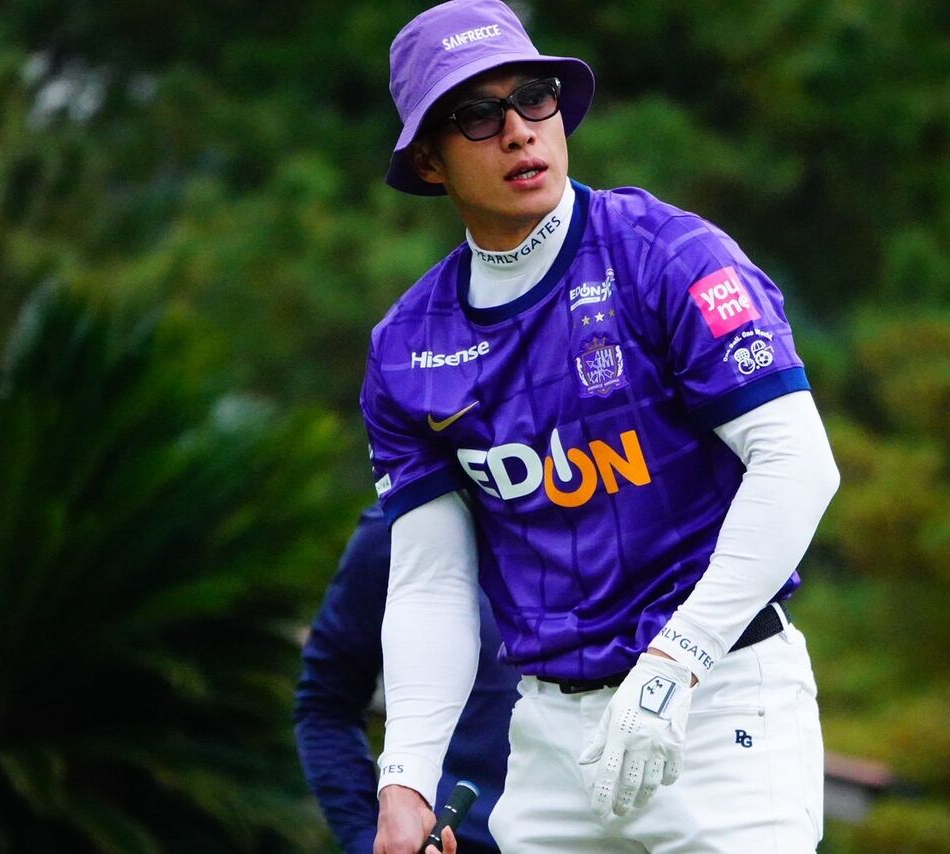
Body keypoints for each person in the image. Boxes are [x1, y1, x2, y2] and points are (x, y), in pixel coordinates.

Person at [361, 1, 841, 850]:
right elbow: (432, 582)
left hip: (721, 698)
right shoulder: (407, 347)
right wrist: (405, 777)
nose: (518, 130)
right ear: (429, 160)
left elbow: (798, 463)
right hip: (551, 743)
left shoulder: (667, 254)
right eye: (478, 114)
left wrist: (675, 661)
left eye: (534, 97)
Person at [293, 503, 515, 853]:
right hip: (456, 840)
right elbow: (328, 704)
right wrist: (366, 838)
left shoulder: (600, 520)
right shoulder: (400, 520)